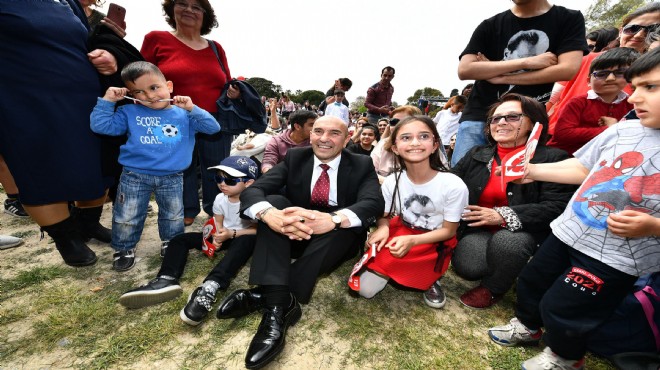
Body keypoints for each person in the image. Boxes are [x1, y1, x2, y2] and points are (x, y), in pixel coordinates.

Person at [488, 48, 660, 370]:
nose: (635, 97)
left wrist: (652, 227)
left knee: (566, 307)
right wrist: (534, 171)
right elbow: (583, 168)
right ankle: (527, 326)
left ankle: (564, 357)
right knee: (533, 280)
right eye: (635, 86)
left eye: (651, 87)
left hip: (617, 255)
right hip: (569, 231)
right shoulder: (624, 129)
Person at [215, 116, 384, 369]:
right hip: (294, 234)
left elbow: (373, 203)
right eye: (318, 131)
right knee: (276, 204)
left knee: (346, 227)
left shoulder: (361, 163)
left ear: (348, 138)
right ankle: (282, 303)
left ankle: (268, 299)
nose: (324, 138)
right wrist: (269, 215)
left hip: (336, 238)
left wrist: (333, 220)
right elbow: (254, 191)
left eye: (334, 133)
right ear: (310, 135)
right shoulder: (296, 158)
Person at [0, 0, 121, 267]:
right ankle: (65, 238)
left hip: (81, 95)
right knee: (40, 168)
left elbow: (83, 44)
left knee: (94, 164)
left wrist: (107, 53)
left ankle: (87, 224)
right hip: (26, 100)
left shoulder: (65, 2)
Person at [90, 61, 220, 271]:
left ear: (168, 86)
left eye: (154, 88)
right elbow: (101, 126)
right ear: (131, 94)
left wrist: (192, 108)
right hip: (134, 175)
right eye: (139, 92)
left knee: (173, 215)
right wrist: (107, 101)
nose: (149, 96)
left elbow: (213, 128)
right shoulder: (128, 112)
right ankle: (124, 248)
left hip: (173, 176)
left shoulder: (184, 114)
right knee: (127, 215)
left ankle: (172, 243)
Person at [451, 94, 575, 309]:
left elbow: (557, 206)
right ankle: (508, 266)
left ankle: (493, 288)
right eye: (495, 118)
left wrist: (503, 215)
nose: (501, 122)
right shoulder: (476, 153)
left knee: (509, 242)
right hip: (478, 230)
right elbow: (450, 183)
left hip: (524, 234)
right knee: (468, 267)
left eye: (513, 117)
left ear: (534, 124)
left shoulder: (553, 159)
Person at [119, 156, 258, 325]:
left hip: (241, 236)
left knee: (247, 240)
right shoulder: (220, 198)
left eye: (229, 180)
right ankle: (166, 278)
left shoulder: (254, 202)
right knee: (180, 239)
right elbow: (217, 221)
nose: (222, 184)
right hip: (224, 235)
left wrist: (233, 233)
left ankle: (210, 287)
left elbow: (258, 230)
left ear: (249, 183)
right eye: (219, 178)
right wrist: (215, 237)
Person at [451, 0, 587, 166]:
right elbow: (465, 69)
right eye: (518, 55)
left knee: (518, 184)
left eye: (526, 57)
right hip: (480, 115)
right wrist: (527, 63)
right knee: (462, 181)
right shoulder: (490, 25)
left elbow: (567, 69)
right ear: (508, 51)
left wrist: (499, 76)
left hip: (528, 119)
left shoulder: (568, 18)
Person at [141, 0, 240, 226]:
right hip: (172, 118)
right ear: (171, 9)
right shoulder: (156, 38)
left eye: (196, 7)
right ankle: (186, 209)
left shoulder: (216, 47)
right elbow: (142, 77)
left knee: (216, 167)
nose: (189, 10)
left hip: (214, 119)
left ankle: (216, 209)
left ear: (205, 15)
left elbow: (226, 81)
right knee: (181, 166)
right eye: (182, 4)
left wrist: (234, 92)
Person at [356, 116, 468, 308]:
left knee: (416, 270)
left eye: (423, 136)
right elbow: (384, 215)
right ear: (395, 147)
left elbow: (449, 231)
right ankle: (395, 269)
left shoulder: (453, 185)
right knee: (364, 290)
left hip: (435, 239)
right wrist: (382, 228)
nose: (415, 142)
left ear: (434, 145)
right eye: (406, 138)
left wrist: (413, 241)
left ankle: (431, 278)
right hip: (403, 230)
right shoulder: (392, 180)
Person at [546, 3, 660, 134]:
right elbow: (552, 99)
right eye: (633, 28)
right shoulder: (586, 60)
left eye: (652, 29)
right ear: (621, 30)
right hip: (558, 141)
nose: (639, 34)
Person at [547, 48, 638, 155]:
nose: (610, 78)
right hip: (565, 154)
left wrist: (616, 127)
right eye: (601, 74)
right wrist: (609, 129)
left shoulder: (631, 104)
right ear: (588, 80)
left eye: (619, 73)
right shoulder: (578, 102)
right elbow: (563, 134)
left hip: (604, 157)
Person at [371, 106, 423, 183]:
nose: (399, 126)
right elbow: (370, 173)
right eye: (394, 122)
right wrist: (392, 184)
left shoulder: (428, 146)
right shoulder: (382, 144)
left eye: (406, 122)